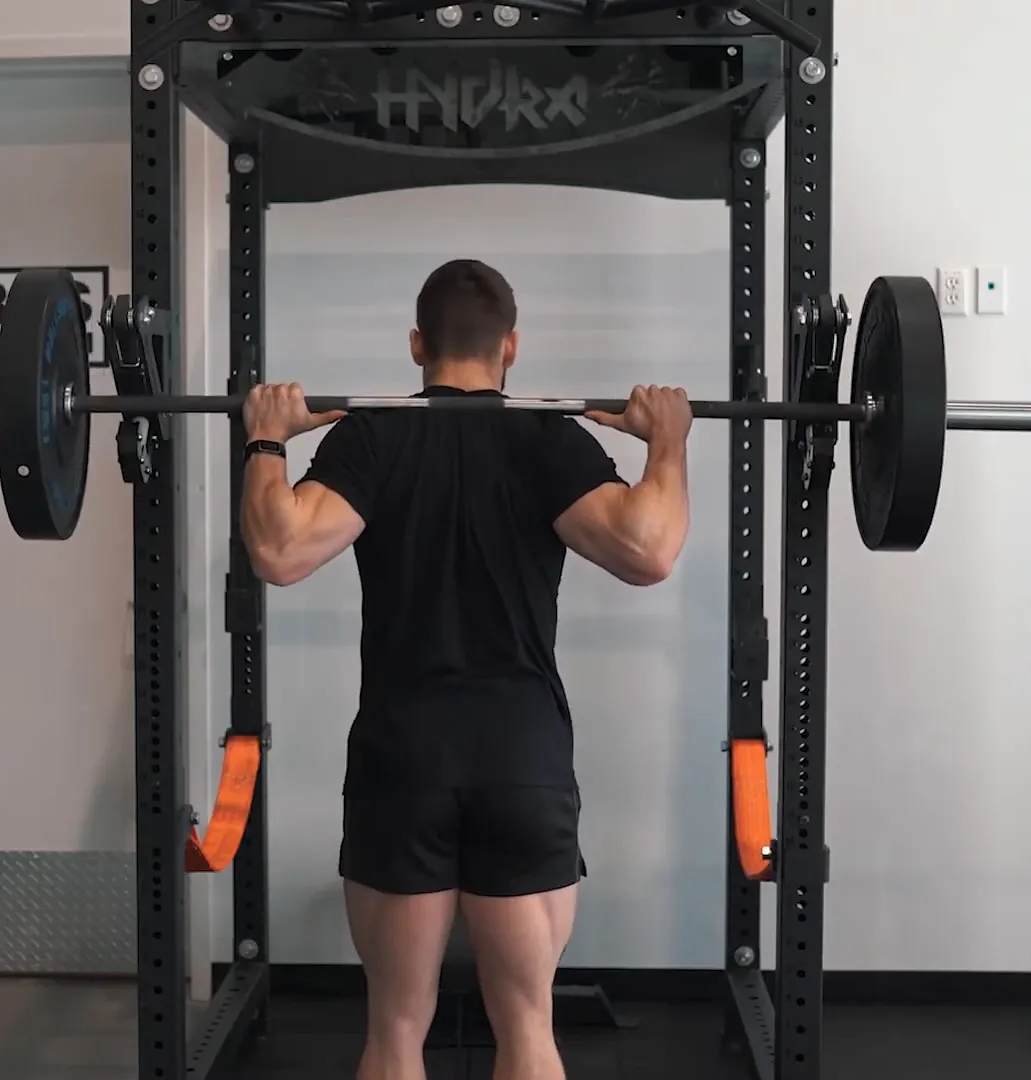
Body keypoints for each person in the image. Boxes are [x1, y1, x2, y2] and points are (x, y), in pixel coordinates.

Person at [237, 258, 693, 1080]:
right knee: (527, 1027)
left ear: (417, 344)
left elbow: (277, 548)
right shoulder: (545, 437)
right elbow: (650, 547)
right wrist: (668, 440)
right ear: (511, 348)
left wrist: (267, 436)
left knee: (394, 1033)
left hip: (402, 760)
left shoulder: (373, 435)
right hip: (522, 761)